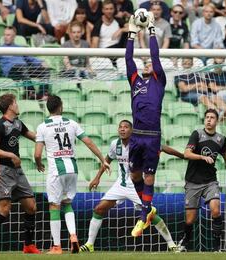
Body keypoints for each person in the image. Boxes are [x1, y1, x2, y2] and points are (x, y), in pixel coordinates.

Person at [79, 120, 184, 253]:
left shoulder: (140, 144)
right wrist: (97, 177)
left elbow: (162, 147)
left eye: (126, 127)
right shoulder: (115, 144)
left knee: (150, 214)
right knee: (99, 209)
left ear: (132, 130)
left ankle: (171, 244)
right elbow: (107, 160)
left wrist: (182, 156)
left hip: (136, 185)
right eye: (120, 127)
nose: (122, 129)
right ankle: (89, 244)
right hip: (121, 184)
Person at [34, 95, 110, 254]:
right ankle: (74, 236)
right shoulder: (71, 123)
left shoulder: (42, 126)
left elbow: (37, 154)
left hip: (56, 170)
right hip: (72, 169)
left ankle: (56, 246)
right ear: (60, 106)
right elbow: (88, 141)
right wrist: (103, 159)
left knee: (54, 206)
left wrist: (39, 164)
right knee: (67, 204)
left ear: (48, 108)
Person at [0, 94, 40, 255]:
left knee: (31, 206)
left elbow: (34, 136)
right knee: (4, 210)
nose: (18, 105)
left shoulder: (18, 123)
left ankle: (28, 245)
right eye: (15, 102)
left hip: (18, 172)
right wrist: (11, 155)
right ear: (10, 107)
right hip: (4, 171)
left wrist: (48, 137)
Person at [177, 108, 226, 252]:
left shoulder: (221, 139)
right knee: (190, 220)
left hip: (210, 181)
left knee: (216, 210)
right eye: (207, 117)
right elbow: (187, 153)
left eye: (212, 117)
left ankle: (217, 247)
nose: (209, 120)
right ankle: (185, 243)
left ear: (216, 121)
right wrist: (202, 157)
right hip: (193, 181)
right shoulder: (197, 134)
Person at [126, 12, 165, 237]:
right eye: (146, 63)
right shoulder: (135, 80)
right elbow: (128, 59)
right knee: (134, 176)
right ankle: (148, 209)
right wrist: (132, 34)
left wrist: (151, 31)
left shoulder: (159, 80)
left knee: (149, 177)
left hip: (152, 136)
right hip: (137, 134)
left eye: (150, 63)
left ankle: (143, 217)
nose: (148, 63)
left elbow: (156, 55)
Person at [0, 27, 50, 99]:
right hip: (11, 72)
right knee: (23, 68)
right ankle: (30, 92)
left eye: (8, 35)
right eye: (5, 35)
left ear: (14, 36)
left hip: (25, 70)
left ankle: (43, 94)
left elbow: (30, 58)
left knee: (45, 70)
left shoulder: (20, 48)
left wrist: (41, 62)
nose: (6, 37)